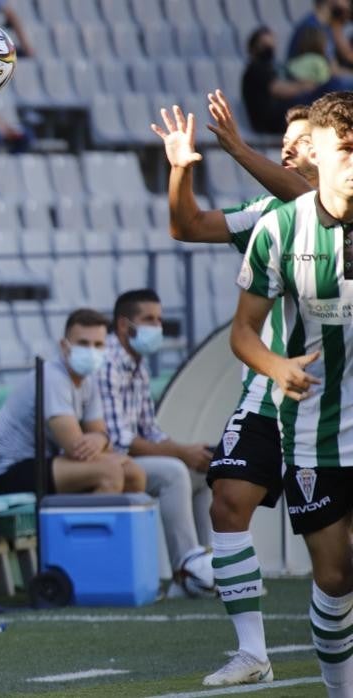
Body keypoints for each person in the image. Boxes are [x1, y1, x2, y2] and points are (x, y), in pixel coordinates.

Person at [151, 96, 316, 686]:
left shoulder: (335, 207)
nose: (288, 147)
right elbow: (186, 226)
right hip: (270, 395)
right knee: (228, 501)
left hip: (337, 401)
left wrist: (239, 150)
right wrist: (181, 168)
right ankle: (253, 652)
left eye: (300, 138)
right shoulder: (268, 210)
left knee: (336, 560)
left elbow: (311, 202)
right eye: (284, 140)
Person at [232, 90, 353, 696]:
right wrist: (276, 366)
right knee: (335, 579)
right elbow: (243, 333)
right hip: (313, 433)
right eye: (347, 149)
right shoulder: (279, 228)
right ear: (319, 153)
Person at [97, 289, 216, 596]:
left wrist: (191, 452)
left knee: (200, 472)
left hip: (126, 460)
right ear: (124, 325)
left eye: (160, 320)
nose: (157, 327)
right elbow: (120, 440)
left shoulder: (138, 366)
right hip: (108, 462)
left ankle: (210, 566)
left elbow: (150, 430)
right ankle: (187, 575)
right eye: (149, 319)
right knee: (174, 472)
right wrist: (181, 453)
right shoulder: (108, 362)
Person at [0, 308, 147, 497]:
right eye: (83, 343)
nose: (91, 351)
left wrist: (101, 439)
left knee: (133, 473)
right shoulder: (53, 377)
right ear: (64, 346)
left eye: (98, 345)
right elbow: (77, 449)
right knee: (109, 473)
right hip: (8, 471)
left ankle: (115, 526)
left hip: (44, 463)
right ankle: (85, 527)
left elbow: (101, 440)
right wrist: (102, 440)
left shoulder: (89, 380)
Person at [288, 0, 353, 69]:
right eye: (345, 1)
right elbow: (328, 71)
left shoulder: (326, 27)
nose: (347, 5)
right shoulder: (312, 28)